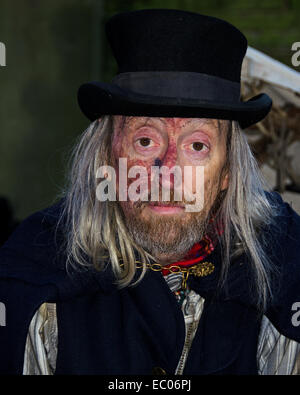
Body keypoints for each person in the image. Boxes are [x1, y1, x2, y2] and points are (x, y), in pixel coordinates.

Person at [1, 9, 300, 375]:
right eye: (145, 140)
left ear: (227, 173)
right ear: (106, 158)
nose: (168, 172)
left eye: (197, 146)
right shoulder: (31, 279)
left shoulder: (286, 276)